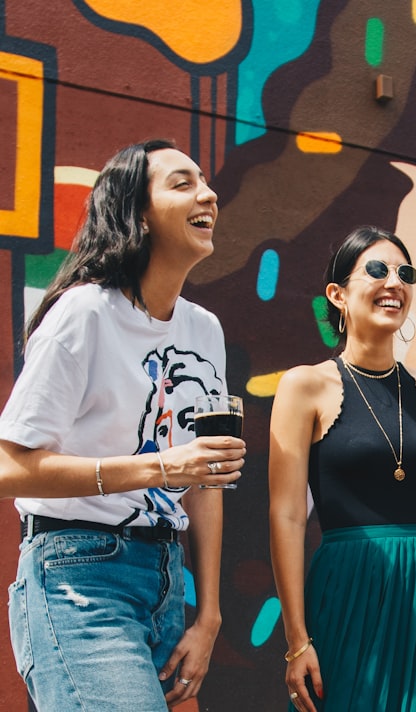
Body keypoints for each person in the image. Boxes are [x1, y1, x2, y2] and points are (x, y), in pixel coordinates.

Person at [0, 140, 245, 711]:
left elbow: (206, 480)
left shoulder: (204, 330)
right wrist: (161, 467)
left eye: (205, 181)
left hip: (166, 579)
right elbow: (10, 467)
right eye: (181, 183)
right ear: (137, 213)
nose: (207, 193)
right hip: (78, 576)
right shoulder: (85, 312)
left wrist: (207, 615)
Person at [268, 226, 416, 712]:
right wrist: (297, 639)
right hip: (349, 587)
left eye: (404, 273)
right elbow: (285, 517)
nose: (394, 282)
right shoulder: (304, 386)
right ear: (338, 294)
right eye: (376, 269)